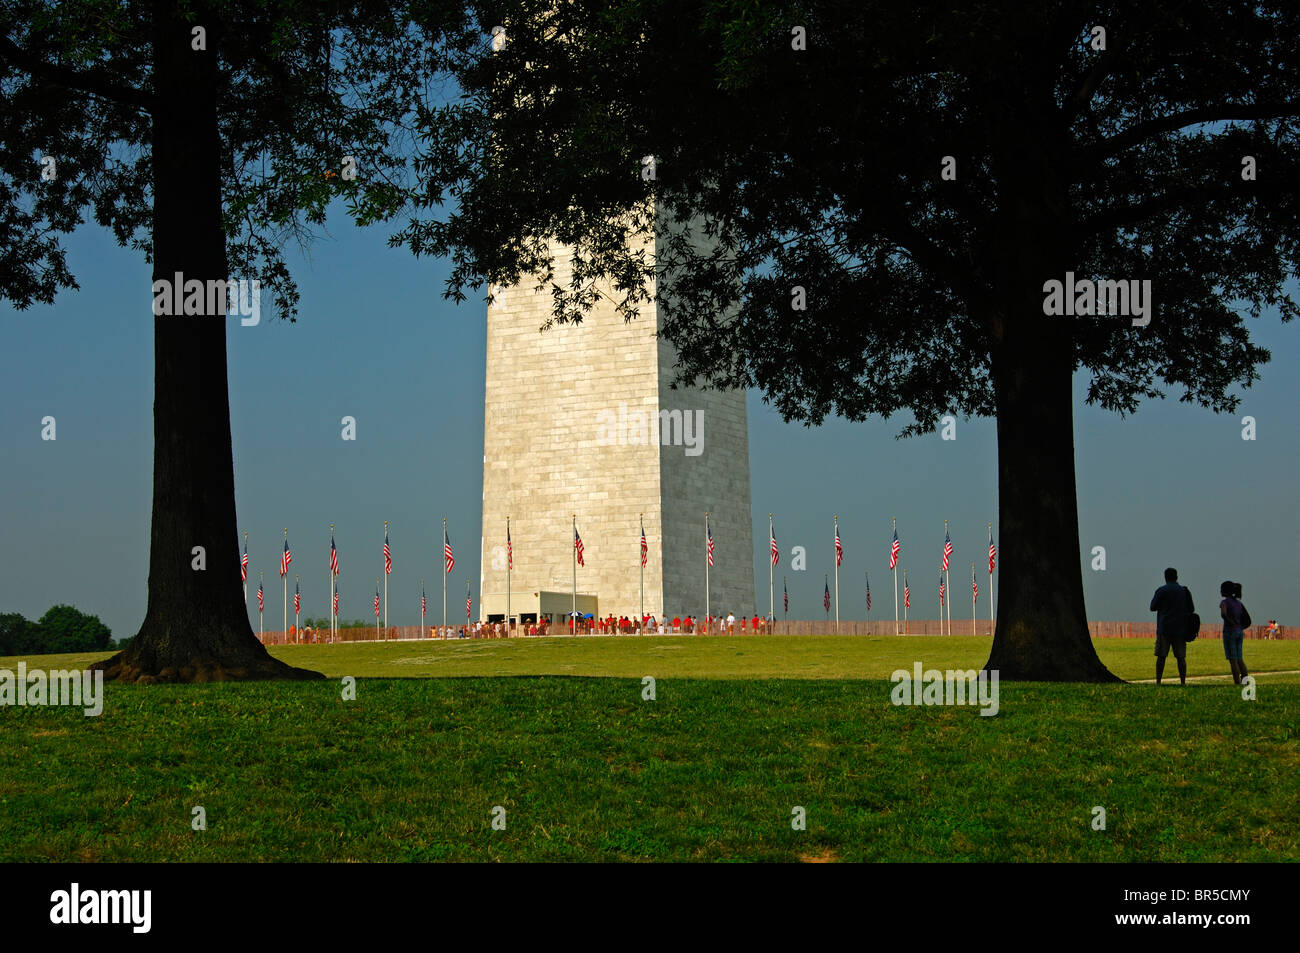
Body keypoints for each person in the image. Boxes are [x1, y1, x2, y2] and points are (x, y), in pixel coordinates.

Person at [1150, 567, 1193, 685]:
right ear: (1176, 577)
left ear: (1165, 577)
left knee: (1161, 657)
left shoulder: (1161, 590)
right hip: (1181, 629)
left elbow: (1152, 607)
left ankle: (1158, 681)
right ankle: (1183, 682)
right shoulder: (1184, 591)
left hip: (1164, 628)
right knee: (1181, 658)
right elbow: (1192, 609)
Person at [1220, 581, 1250, 685]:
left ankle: (1237, 682)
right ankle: (1245, 680)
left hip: (1229, 632)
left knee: (1233, 660)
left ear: (1225, 591)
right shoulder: (1238, 603)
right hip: (1239, 632)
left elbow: (1223, 614)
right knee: (1239, 658)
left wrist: (1229, 621)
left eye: (1221, 589)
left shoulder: (1224, 602)